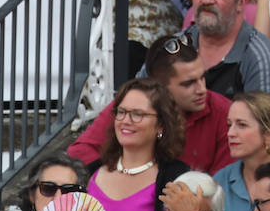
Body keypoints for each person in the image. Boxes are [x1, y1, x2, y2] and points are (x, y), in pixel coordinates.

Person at [73, 37, 232, 174]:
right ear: (160, 87)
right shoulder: (131, 102)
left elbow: (224, 182)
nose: (202, 90)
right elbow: (79, 152)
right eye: (188, 83)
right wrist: (117, 180)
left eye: (202, 78)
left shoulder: (224, 112)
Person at [86, 78, 190, 211]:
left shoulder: (175, 177)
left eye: (137, 114)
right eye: (121, 112)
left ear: (160, 125)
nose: (126, 120)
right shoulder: (89, 173)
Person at [180, 0, 270, 96]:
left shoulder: (259, 56)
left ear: (241, 3)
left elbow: (262, 116)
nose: (207, 0)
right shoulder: (174, 48)